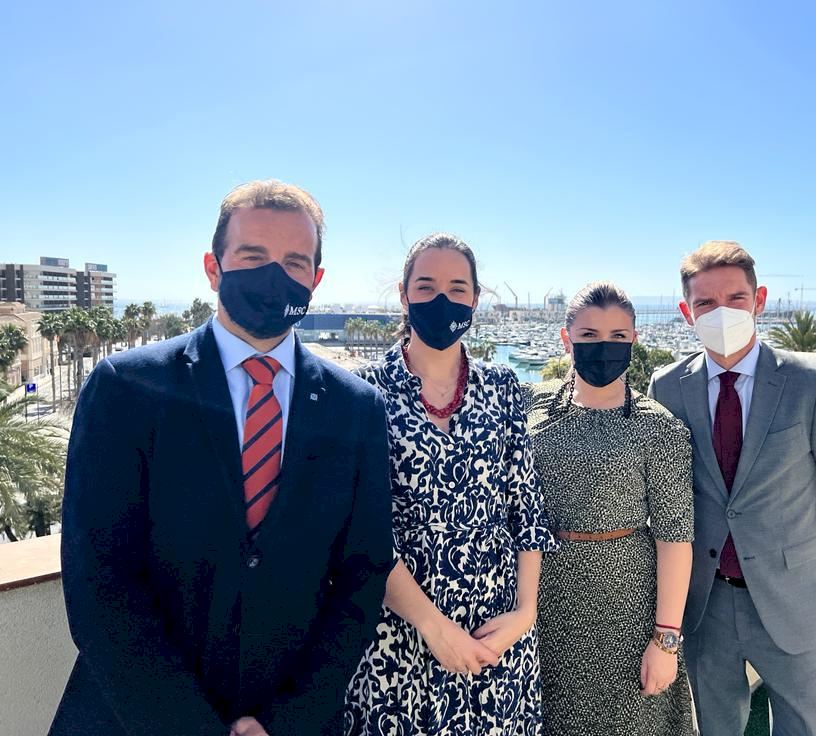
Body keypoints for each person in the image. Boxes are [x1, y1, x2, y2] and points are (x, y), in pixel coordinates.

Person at [50, 180, 394, 736]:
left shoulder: (356, 408)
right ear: (213, 268)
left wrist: (288, 720)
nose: (275, 276)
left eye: (294, 262)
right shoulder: (127, 388)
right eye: (253, 256)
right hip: (135, 720)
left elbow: (363, 575)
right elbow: (100, 580)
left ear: (316, 280)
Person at [648, 241, 816, 736]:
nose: (721, 312)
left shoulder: (811, 386)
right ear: (686, 312)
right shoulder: (667, 388)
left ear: (759, 300)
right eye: (706, 303)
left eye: (735, 298)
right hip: (705, 604)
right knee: (716, 727)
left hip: (793, 599)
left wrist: (795, 558)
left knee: (805, 727)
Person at [343, 233, 558, 735]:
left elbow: (526, 507)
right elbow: (360, 531)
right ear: (403, 295)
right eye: (426, 286)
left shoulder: (503, 387)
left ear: (476, 299)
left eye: (458, 288)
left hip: (497, 637)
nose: (442, 299)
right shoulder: (362, 392)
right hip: (398, 639)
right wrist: (433, 627)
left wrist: (525, 613)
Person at [525, 282, 695, 736]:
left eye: (618, 336)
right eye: (589, 335)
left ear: (634, 340)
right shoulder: (532, 407)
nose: (604, 346)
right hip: (540, 598)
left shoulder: (658, 428)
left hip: (625, 605)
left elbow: (675, 539)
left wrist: (666, 640)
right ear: (566, 340)